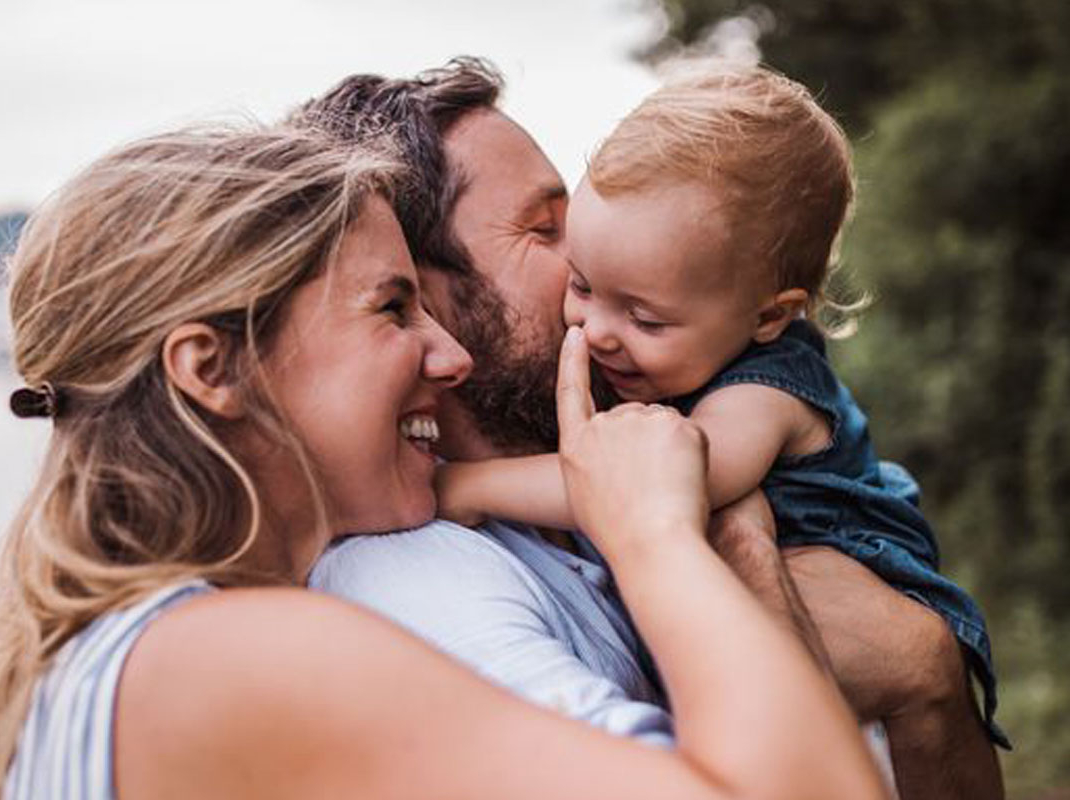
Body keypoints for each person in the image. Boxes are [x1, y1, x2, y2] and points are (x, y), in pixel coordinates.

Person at [0, 120, 884, 800]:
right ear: (212, 368)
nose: (452, 358)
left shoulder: (135, 651)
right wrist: (652, 529)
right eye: (392, 309)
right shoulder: (232, 658)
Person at [299, 59, 1004, 800]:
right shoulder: (424, 586)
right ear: (421, 291)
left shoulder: (701, 419)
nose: (595, 265)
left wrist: (927, 672)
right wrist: (751, 560)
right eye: (547, 231)